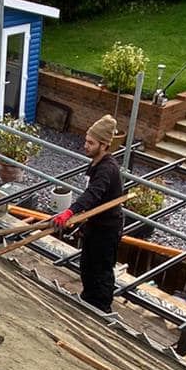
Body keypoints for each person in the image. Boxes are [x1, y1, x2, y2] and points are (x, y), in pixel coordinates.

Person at [50, 113, 124, 314]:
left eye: (91, 143)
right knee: (87, 265)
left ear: (104, 145)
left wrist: (70, 212)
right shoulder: (96, 163)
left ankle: (101, 308)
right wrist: (78, 218)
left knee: (101, 269)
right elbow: (92, 197)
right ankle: (88, 299)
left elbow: (93, 194)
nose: (85, 145)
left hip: (107, 228)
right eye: (86, 140)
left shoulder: (107, 169)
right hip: (94, 223)